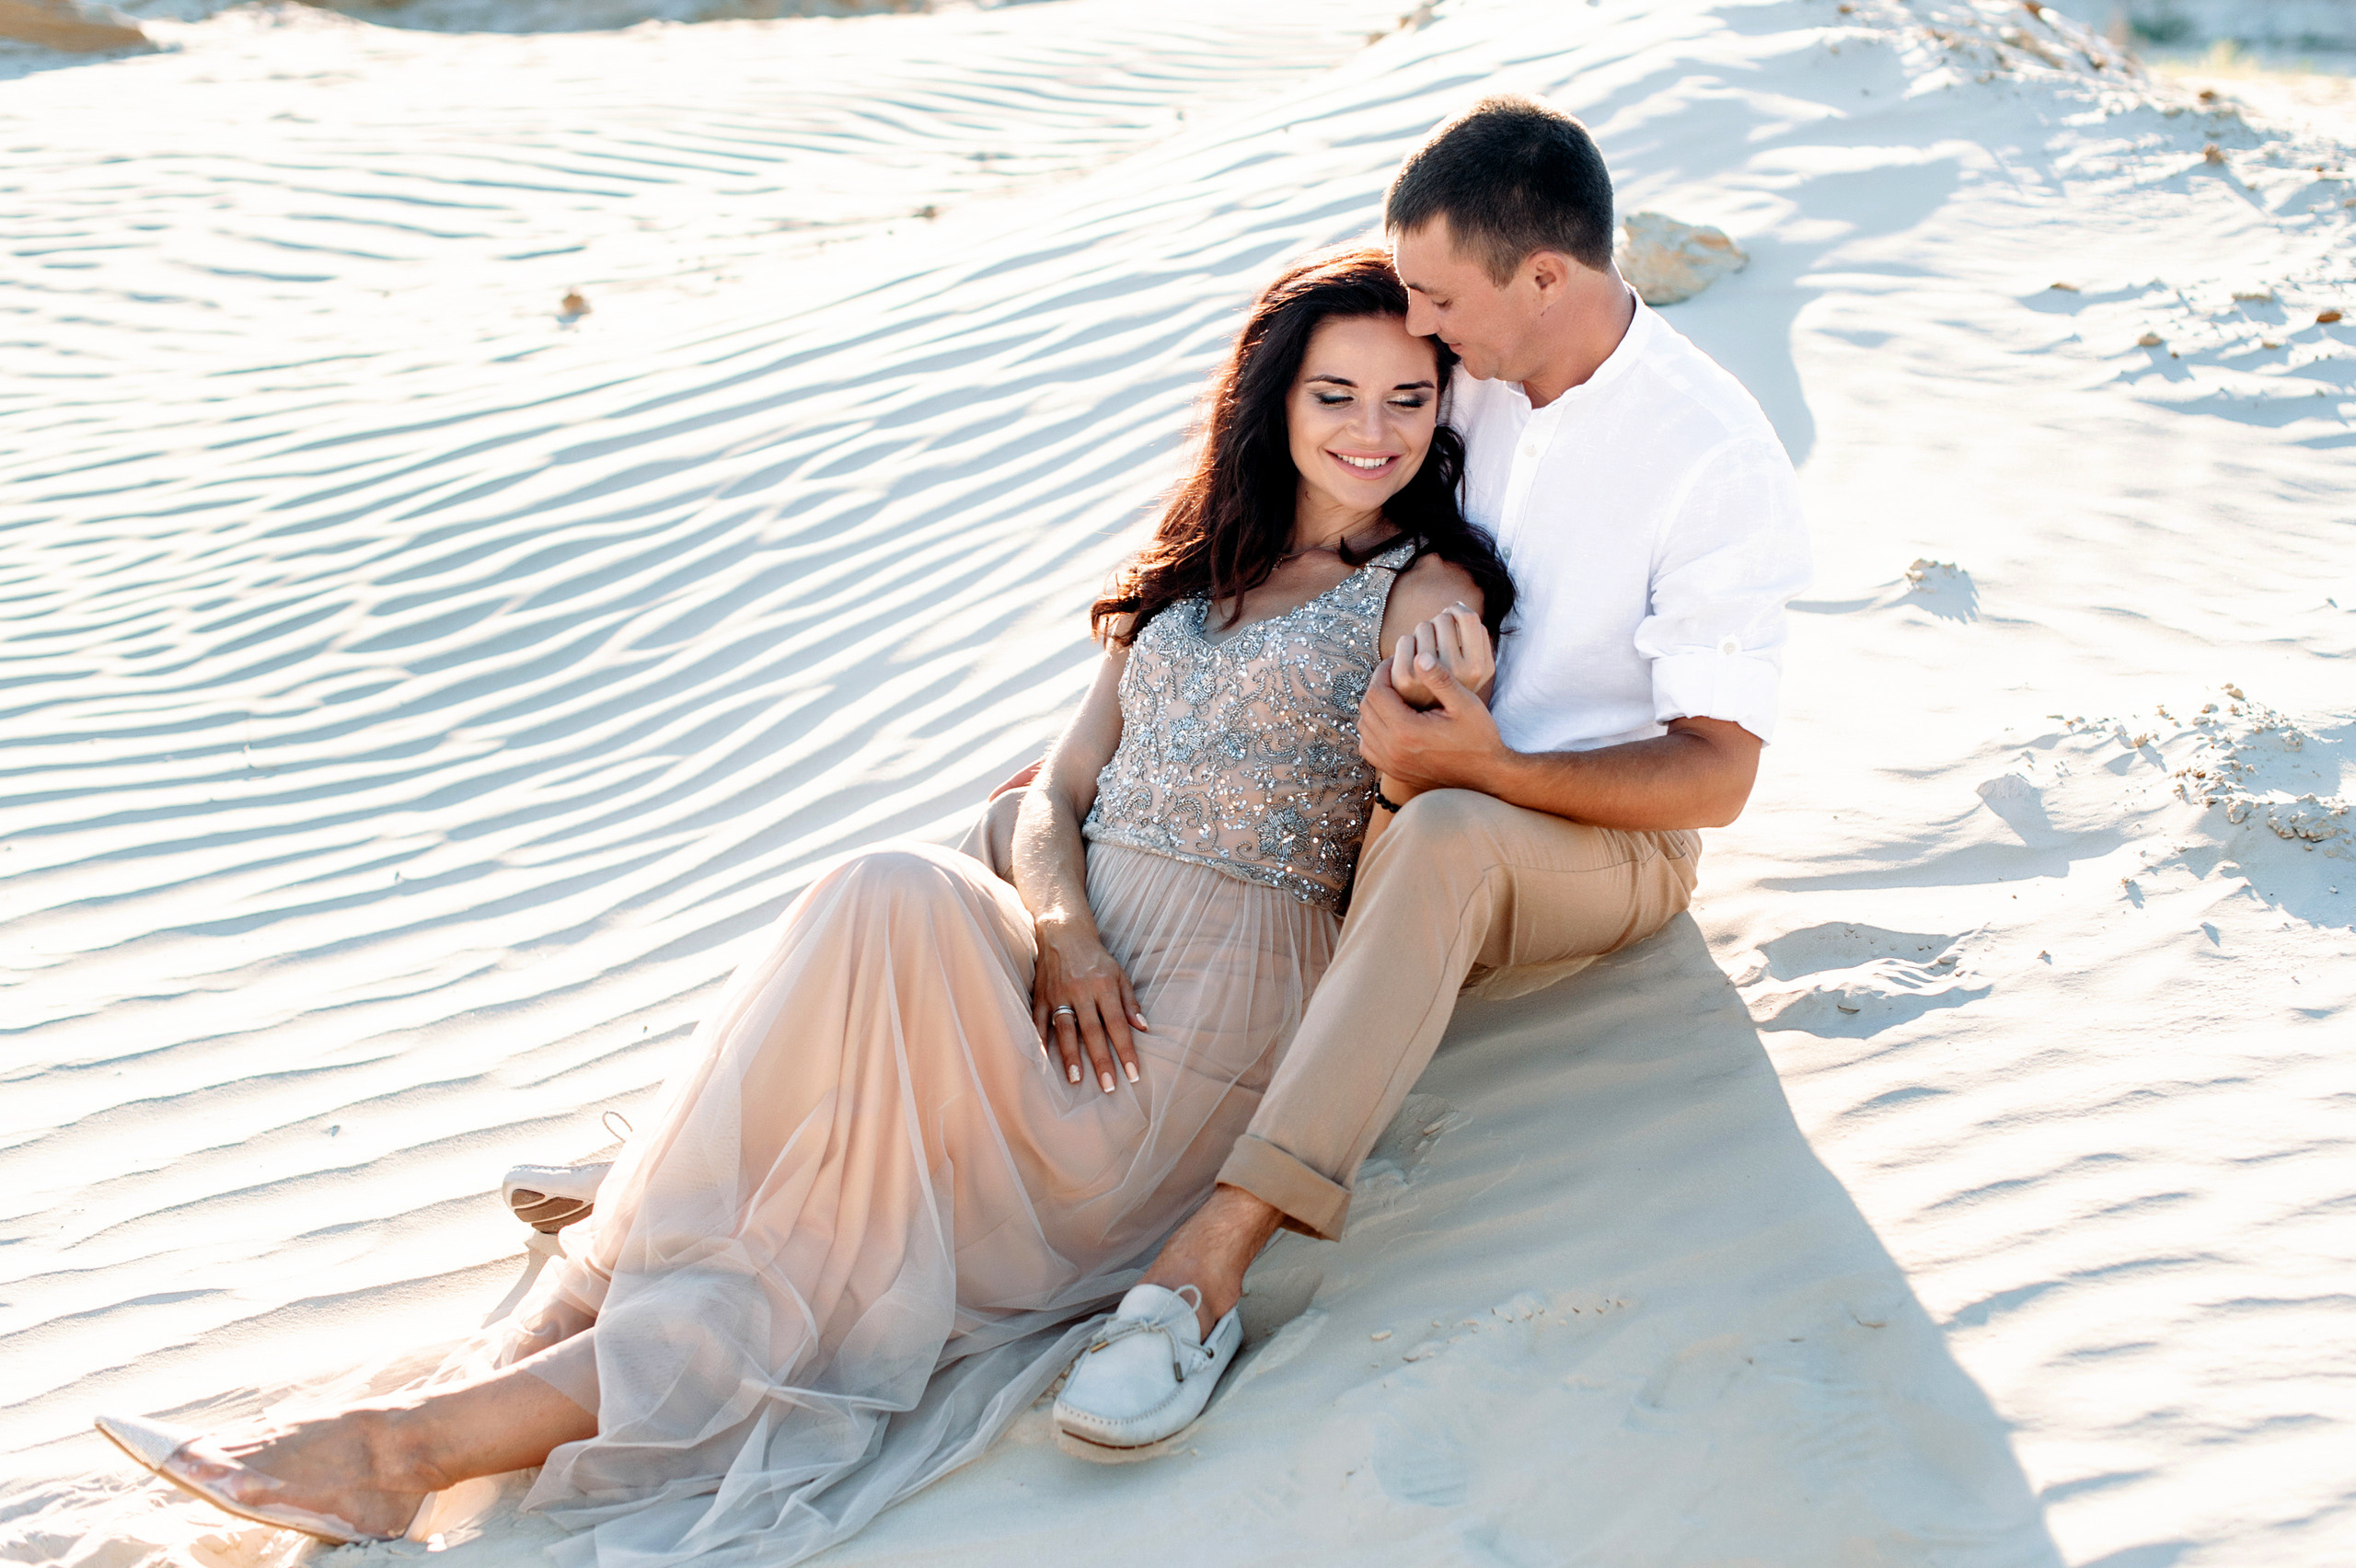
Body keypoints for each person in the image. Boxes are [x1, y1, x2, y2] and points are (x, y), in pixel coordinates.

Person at [91, 247, 1515, 1565]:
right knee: (879, 891)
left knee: (815, 1243)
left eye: (1406, 398)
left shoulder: (1422, 585)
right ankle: (475, 1388)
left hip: (1193, 1024)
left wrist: (1441, 706)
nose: (1371, 430)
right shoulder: (1197, 568)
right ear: (1274, 403)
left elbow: (1426, 753)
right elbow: (1060, 791)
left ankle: (412, 1444)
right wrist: (1064, 929)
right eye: (1335, 393)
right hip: (1069, 965)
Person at [1056, 94, 1811, 1449]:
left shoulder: (1715, 456)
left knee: (1451, 830)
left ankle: (1207, 1263)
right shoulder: (1461, 365)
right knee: (1061, 802)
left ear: (1544, 279)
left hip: (1582, 836)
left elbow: (1716, 779)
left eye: (1435, 295)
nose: (1417, 325)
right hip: (1383, 791)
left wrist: (1494, 765)